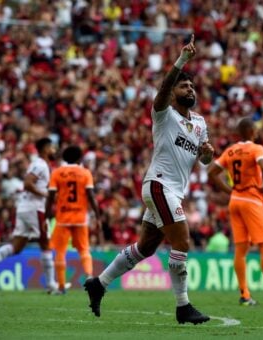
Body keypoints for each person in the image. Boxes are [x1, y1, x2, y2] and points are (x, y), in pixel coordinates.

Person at [84, 34, 214, 325]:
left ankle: (99, 283)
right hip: (159, 184)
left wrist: (207, 154)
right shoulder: (164, 114)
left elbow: (203, 160)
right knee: (182, 241)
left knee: (145, 247)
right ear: (173, 92)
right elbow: (163, 88)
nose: (189, 88)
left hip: (172, 191)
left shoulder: (200, 124)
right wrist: (181, 61)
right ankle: (183, 306)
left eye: (192, 85)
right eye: (184, 84)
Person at [207, 117, 263, 307]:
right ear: (252, 131)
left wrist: (230, 191)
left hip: (235, 201)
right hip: (251, 199)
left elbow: (211, 172)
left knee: (241, 249)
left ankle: (245, 296)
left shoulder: (230, 150)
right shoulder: (256, 149)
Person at [0, 137, 57, 292]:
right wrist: (46, 194)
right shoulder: (40, 165)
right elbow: (27, 183)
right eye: (52, 148)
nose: (54, 151)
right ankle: (51, 285)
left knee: (17, 246)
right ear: (45, 149)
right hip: (34, 208)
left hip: (24, 207)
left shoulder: (39, 164)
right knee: (45, 243)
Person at [45, 145, 101, 294]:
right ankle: (89, 277)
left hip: (62, 218)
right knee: (84, 250)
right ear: (79, 158)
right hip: (80, 218)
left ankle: (62, 286)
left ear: (64, 158)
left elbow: (50, 197)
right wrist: (97, 215)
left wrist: (45, 215)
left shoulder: (57, 173)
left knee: (60, 252)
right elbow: (91, 196)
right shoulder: (85, 173)